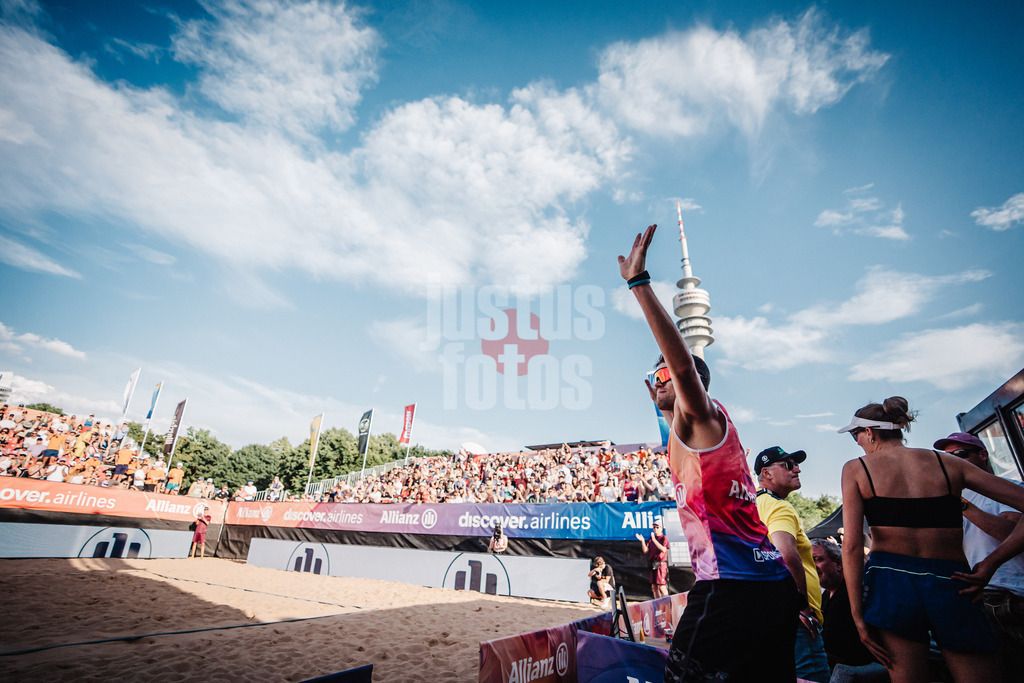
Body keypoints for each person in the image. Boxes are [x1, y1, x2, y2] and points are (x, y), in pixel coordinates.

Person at [618, 224, 799, 681]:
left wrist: (639, 286)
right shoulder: (709, 429)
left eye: (658, 377)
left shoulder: (698, 414)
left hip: (732, 587)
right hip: (767, 585)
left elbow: (680, 366)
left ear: (681, 383)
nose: (654, 383)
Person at [838, 397, 1024, 682]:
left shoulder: (857, 469)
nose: (858, 443)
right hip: (952, 579)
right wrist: (990, 564)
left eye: (856, 436)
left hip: (892, 578)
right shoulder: (948, 464)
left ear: (870, 433)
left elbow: (851, 547)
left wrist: (857, 614)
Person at [934, 431, 1024, 680]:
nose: (954, 462)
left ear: (982, 455)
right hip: (978, 596)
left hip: (1012, 593)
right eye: (948, 458)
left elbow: (1009, 532)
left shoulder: (1011, 489)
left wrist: (962, 505)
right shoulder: (952, 502)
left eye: (961, 455)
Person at [755, 446, 830, 683]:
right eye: (787, 465)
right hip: (794, 618)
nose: (797, 469)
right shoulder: (778, 506)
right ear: (766, 473)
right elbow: (786, 553)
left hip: (768, 612)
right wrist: (802, 607)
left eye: (796, 464)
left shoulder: (753, 504)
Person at [810, 538, 885, 681]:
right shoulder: (827, 594)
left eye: (816, 559)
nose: (812, 566)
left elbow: (834, 653)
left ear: (838, 563)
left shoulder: (846, 597)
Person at [635, 519, 670, 599]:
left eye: (657, 527)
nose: (655, 529)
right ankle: (659, 606)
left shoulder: (664, 538)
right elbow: (645, 550)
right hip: (653, 564)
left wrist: (654, 540)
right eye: (654, 527)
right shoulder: (651, 538)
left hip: (661, 565)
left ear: (661, 528)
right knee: (654, 587)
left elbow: (664, 550)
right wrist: (643, 541)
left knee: (661, 586)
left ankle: (667, 605)